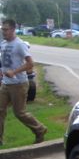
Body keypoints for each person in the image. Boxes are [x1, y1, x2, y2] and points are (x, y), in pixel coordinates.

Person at [0, 18, 47, 146]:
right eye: (2, 29)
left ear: (13, 29)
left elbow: (31, 63)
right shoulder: (3, 43)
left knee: (19, 113)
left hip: (18, 84)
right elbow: (4, 62)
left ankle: (40, 129)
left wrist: (14, 72)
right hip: (5, 83)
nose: (4, 32)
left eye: (6, 29)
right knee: (0, 110)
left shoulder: (19, 44)